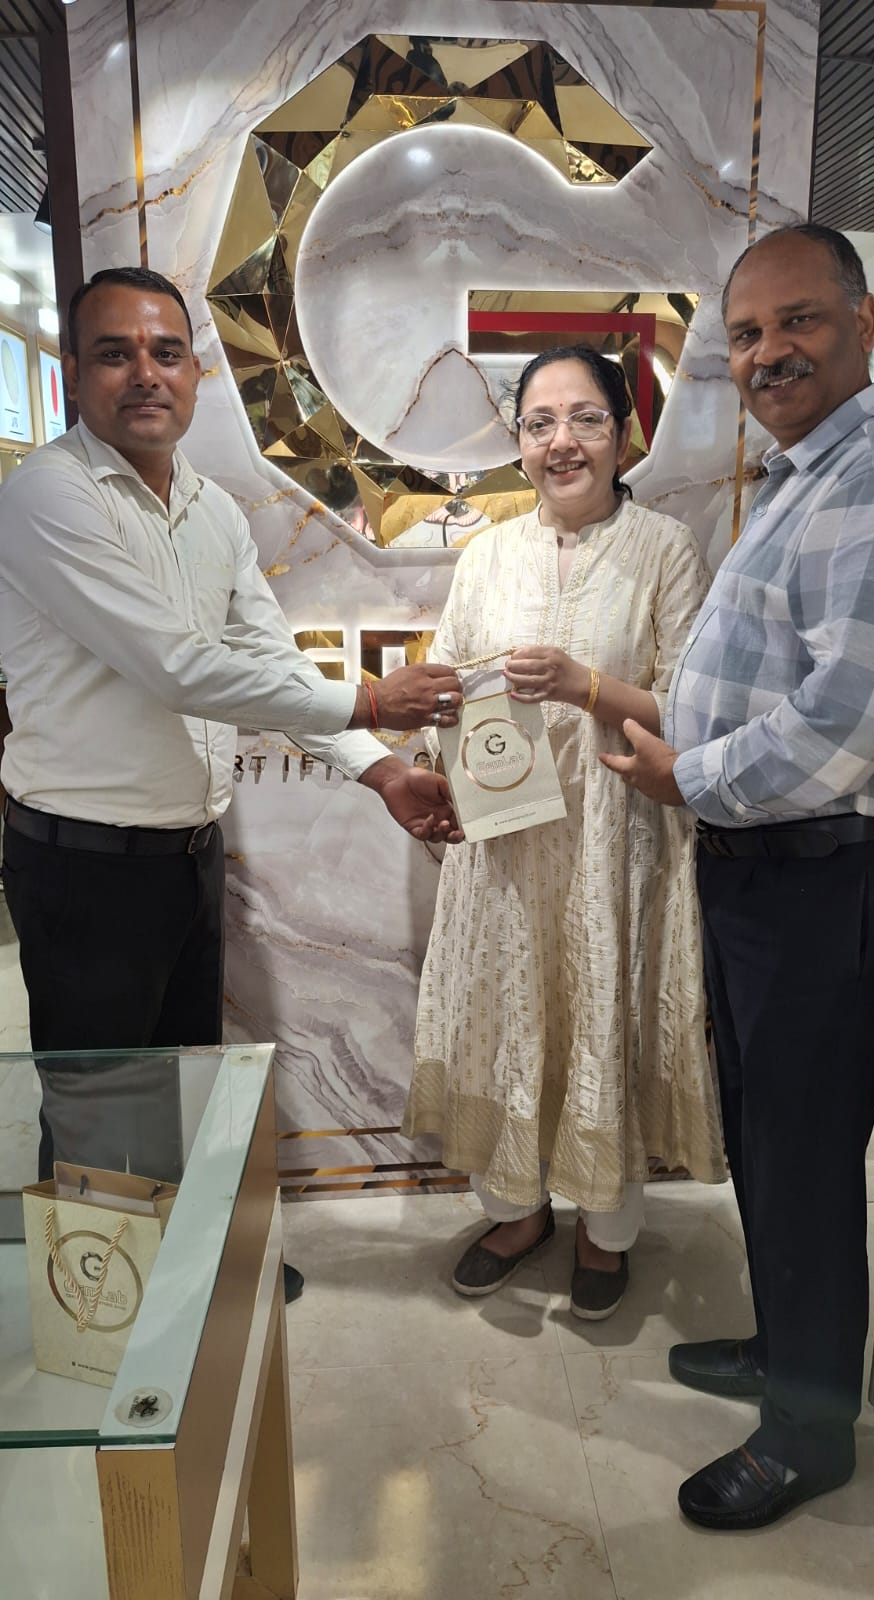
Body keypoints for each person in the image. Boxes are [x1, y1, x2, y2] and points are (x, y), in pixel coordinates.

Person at [0, 266, 463, 1304]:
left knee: (184, 1084)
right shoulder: (48, 497)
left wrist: (382, 770)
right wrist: (372, 702)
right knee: (97, 1105)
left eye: (165, 352)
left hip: (185, 854)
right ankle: (104, 1325)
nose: (144, 373)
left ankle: (192, 1283)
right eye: (115, 353)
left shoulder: (208, 507)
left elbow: (265, 659)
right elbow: (178, 668)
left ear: (196, 373)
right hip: (83, 864)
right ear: (73, 372)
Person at [601, 224, 874, 1528]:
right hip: (768, 871)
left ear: (864, 323)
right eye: (746, 333)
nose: (769, 352)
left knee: (807, 1158)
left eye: (798, 321)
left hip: (827, 880)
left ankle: (808, 1435)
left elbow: (853, 713)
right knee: (770, 1144)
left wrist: (691, 778)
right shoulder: (803, 475)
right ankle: (791, 1355)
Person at [404, 345, 726, 1318]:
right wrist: (431, 744)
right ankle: (515, 1212)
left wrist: (588, 686)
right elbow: (447, 678)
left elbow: (692, 710)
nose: (562, 442)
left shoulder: (664, 548)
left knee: (602, 1019)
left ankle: (605, 1228)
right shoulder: (488, 554)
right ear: (518, 442)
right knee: (507, 1019)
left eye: (585, 418)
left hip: (613, 848)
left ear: (623, 433)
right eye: (540, 423)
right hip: (507, 849)